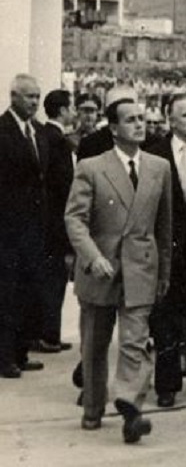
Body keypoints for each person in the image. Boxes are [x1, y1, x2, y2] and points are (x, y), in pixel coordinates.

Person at [64, 97, 173, 443]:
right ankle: (93, 407)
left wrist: (163, 271)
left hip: (141, 267)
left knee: (134, 342)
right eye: (131, 120)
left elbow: (164, 227)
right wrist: (92, 256)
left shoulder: (159, 168)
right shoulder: (92, 167)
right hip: (102, 268)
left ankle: (130, 406)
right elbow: (75, 219)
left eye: (143, 118)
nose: (140, 125)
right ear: (113, 128)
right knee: (95, 344)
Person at [144, 92, 186, 408]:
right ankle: (167, 385)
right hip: (168, 248)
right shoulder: (155, 153)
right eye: (185, 115)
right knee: (165, 317)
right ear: (171, 120)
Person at [0, 74, 51, 378]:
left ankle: (20, 352)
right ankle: (5, 357)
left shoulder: (37, 133)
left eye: (37, 97)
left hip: (33, 230)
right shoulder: (2, 131)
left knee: (27, 293)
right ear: (13, 96)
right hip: (7, 231)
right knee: (6, 295)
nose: (34, 102)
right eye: (29, 96)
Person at [34, 89, 76, 355]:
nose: (72, 112)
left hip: (42, 222)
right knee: (54, 281)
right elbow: (65, 188)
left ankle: (44, 332)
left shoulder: (42, 135)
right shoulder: (58, 141)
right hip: (56, 223)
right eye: (70, 108)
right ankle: (50, 334)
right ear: (62, 110)